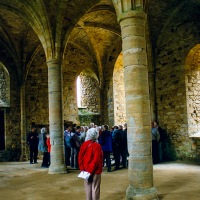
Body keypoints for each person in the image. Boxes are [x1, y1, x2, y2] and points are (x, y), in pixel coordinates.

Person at [78, 128, 103, 200]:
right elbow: (96, 160)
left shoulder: (84, 144)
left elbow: (80, 158)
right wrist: (90, 170)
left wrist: (83, 168)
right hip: (95, 170)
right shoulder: (97, 146)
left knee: (88, 188)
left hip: (85, 170)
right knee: (95, 188)